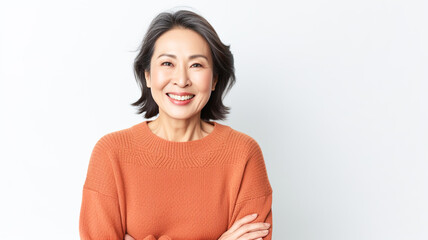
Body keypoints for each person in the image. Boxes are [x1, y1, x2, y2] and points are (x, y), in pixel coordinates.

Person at [79, 9, 273, 240]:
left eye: (197, 65)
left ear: (215, 80)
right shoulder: (111, 153)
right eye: (168, 63)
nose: (181, 80)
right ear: (148, 76)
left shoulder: (243, 154)